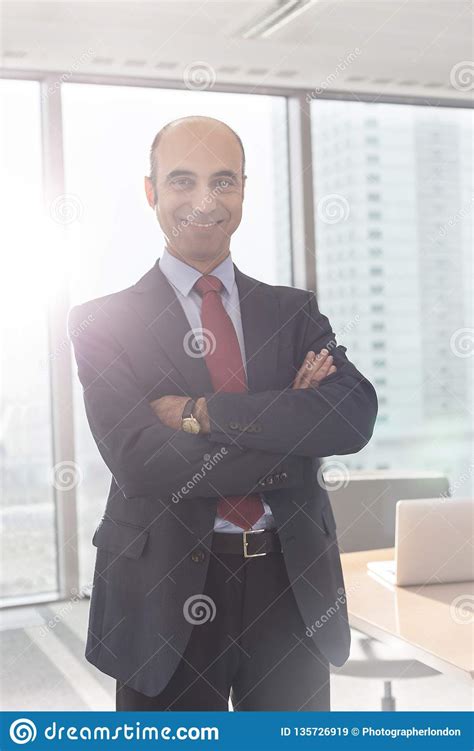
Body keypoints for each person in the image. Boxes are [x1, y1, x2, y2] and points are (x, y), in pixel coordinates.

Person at [68, 115, 378, 711]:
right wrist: (290, 428)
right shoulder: (102, 322)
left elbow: (352, 417)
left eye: (223, 181)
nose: (204, 201)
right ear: (151, 192)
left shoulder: (293, 312)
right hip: (162, 591)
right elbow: (140, 461)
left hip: (290, 586)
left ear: (242, 191)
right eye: (182, 181)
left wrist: (199, 413)